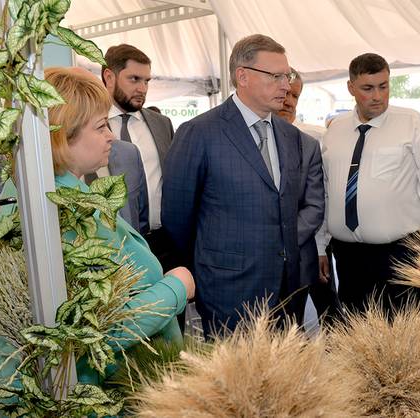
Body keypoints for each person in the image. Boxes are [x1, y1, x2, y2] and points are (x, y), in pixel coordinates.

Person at [0, 67, 194, 403]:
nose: (111, 135)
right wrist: (176, 288)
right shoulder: (59, 213)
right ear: (60, 137)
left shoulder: (49, 194)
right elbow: (96, 335)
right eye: (100, 127)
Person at [161, 34, 305, 335]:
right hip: (229, 292)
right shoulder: (199, 133)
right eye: (276, 76)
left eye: (287, 76)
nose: (286, 86)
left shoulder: (290, 136)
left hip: (286, 291)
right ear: (243, 76)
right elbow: (177, 218)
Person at [320, 53, 420, 314]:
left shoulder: (411, 123)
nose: (377, 96)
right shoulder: (335, 130)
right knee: (357, 338)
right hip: (348, 258)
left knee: (402, 342)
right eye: (368, 88)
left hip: (400, 254)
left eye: (384, 86)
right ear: (351, 88)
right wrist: (320, 245)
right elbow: (325, 191)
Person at [101, 44, 178, 270]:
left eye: (147, 81)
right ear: (109, 76)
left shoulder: (162, 125)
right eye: (134, 79)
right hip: (112, 248)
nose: (142, 88)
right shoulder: (88, 126)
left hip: (163, 243)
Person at [272, 68, 339, 324]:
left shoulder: (313, 140)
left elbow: (320, 199)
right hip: (265, 257)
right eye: (285, 94)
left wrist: (321, 247)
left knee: (327, 315)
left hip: (310, 248)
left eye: (295, 96)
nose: (289, 102)